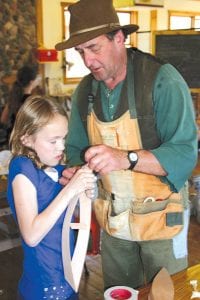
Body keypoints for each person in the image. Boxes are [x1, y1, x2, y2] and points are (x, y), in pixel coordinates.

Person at [55, 0, 198, 291]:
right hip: (114, 222)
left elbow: (184, 154)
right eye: (80, 52)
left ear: (118, 38)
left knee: (166, 294)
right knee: (120, 294)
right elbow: (74, 150)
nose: (88, 61)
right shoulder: (85, 90)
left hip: (161, 220)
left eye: (94, 48)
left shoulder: (162, 81)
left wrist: (126, 158)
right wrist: (74, 171)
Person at [7, 95, 97, 300]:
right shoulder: (23, 168)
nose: (62, 146)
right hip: (42, 286)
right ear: (27, 138)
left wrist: (83, 194)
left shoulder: (56, 168)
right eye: (53, 141)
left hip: (66, 277)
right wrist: (69, 191)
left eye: (64, 138)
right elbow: (31, 235)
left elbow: (65, 218)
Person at [0, 65, 41, 135]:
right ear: (31, 82)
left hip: (12, 137)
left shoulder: (13, 97)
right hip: (24, 140)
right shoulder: (31, 101)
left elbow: (3, 120)